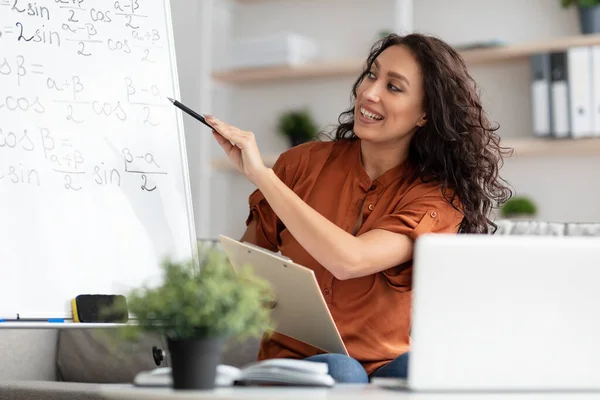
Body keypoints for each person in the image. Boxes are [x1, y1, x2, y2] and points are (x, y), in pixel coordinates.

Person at [205, 32, 513, 383]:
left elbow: (351, 260)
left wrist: (262, 176)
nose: (369, 92)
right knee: (342, 369)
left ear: (425, 115)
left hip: (384, 362)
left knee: (432, 370)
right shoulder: (301, 164)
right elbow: (241, 268)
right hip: (296, 360)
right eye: (371, 74)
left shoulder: (436, 198)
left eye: (394, 87)